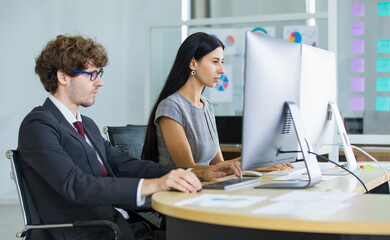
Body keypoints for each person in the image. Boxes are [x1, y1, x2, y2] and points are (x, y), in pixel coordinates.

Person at [17, 34, 231, 240]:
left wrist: (194, 172)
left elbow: (125, 165)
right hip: (92, 232)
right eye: (92, 74)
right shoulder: (38, 126)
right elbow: (76, 184)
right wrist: (154, 185)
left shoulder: (87, 126)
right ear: (63, 76)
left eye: (100, 74)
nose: (99, 83)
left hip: (123, 225)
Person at [142, 32, 292, 174]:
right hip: (176, 192)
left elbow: (217, 164)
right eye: (215, 62)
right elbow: (187, 169)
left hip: (206, 187)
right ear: (193, 63)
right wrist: (245, 164)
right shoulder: (171, 106)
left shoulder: (206, 105)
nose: (222, 70)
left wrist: (255, 163)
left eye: (222, 62)